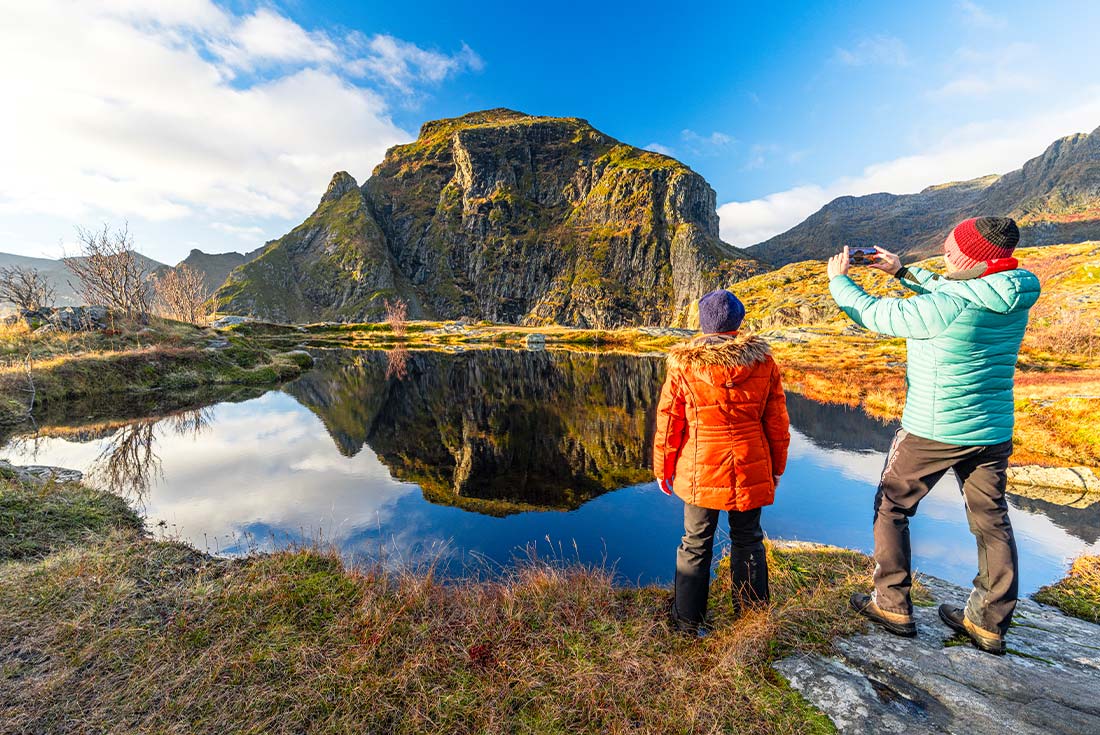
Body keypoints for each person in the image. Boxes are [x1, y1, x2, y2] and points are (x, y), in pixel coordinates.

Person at [827, 217, 1040, 655]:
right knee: (991, 520)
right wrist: (903, 272)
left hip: (934, 428)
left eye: (949, 250)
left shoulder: (955, 304)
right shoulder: (1013, 290)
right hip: (991, 428)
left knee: (891, 507)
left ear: (970, 257)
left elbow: (876, 314)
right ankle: (988, 621)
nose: (944, 254)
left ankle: (891, 604)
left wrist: (840, 282)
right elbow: (954, 291)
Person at [653, 289, 790, 635]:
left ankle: (687, 622)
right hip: (750, 463)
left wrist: (663, 468)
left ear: (703, 325)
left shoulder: (685, 366)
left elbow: (669, 421)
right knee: (748, 540)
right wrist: (776, 468)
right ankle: (751, 618)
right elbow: (777, 423)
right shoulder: (764, 363)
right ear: (738, 323)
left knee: (695, 542)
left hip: (700, 469)